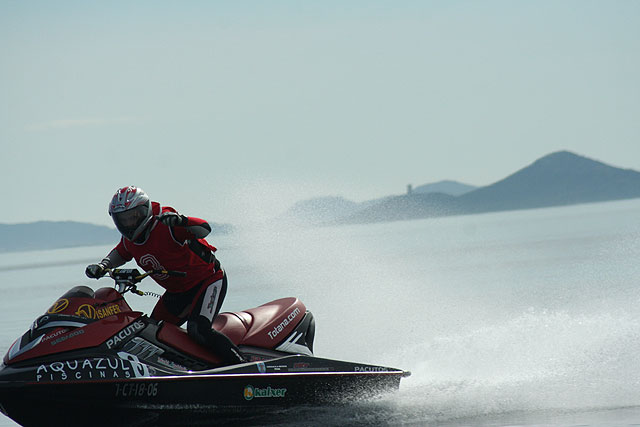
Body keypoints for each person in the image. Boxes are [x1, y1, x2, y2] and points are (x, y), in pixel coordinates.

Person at [85, 186, 244, 364]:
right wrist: (102, 266)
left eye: (133, 216)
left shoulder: (166, 223)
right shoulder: (130, 241)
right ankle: (186, 368)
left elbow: (204, 228)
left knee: (198, 329)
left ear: (145, 210)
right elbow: (121, 253)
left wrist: (181, 221)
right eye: (123, 220)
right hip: (178, 292)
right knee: (153, 332)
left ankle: (243, 366)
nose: (129, 223)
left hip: (208, 280)